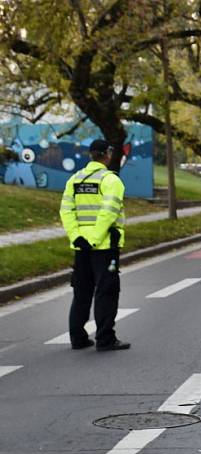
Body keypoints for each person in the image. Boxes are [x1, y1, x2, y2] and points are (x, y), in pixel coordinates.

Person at [59, 139, 130, 351]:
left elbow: (66, 211)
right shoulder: (111, 180)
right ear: (107, 155)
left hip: (81, 248)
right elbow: (108, 213)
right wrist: (94, 239)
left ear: (91, 155)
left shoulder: (74, 179)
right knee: (106, 291)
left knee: (81, 292)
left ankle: (78, 338)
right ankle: (105, 339)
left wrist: (77, 238)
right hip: (105, 248)